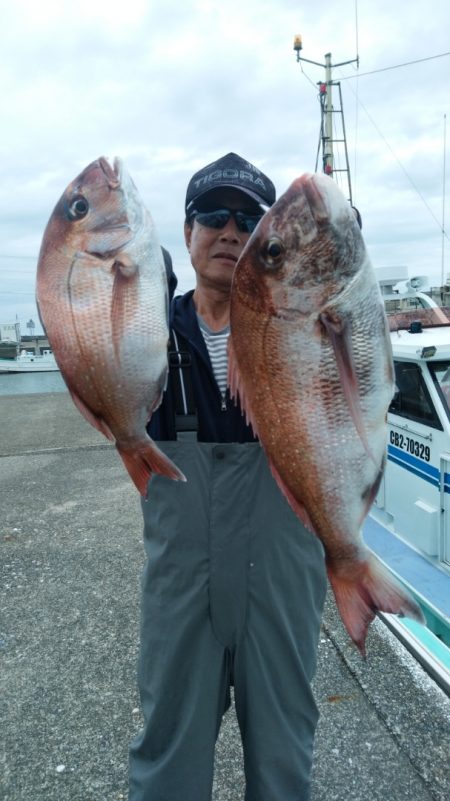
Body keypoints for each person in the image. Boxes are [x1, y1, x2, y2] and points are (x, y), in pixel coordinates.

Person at [128, 153, 327, 801]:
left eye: (248, 219)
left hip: (281, 575)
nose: (231, 231)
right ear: (186, 232)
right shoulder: (148, 328)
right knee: (169, 754)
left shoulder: (296, 327)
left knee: (283, 753)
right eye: (212, 215)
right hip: (181, 582)